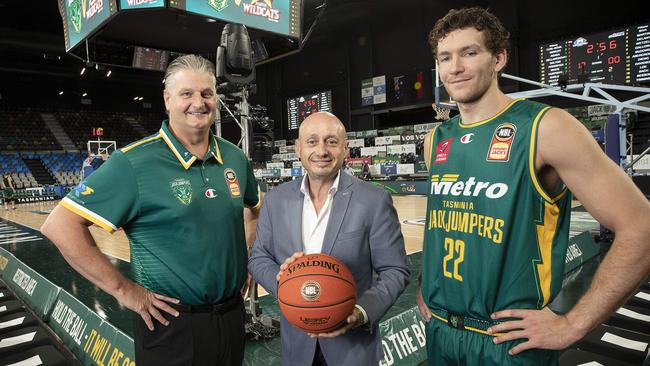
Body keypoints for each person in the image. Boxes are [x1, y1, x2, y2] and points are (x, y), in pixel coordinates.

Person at [417, 7, 650, 366]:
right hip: (441, 333)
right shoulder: (437, 141)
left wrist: (573, 324)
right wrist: (425, 287)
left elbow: (641, 226)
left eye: (469, 52)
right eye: (444, 57)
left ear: (499, 58)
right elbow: (445, 225)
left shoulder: (547, 128)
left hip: (508, 344)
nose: (455, 67)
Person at [41, 54, 262, 366]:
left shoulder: (235, 158)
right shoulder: (133, 163)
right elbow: (59, 225)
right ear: (167, 99)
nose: (197, 102)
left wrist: (250, 257)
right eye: (186, 93)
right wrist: (124, 291)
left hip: (231, 318)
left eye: (206, 93)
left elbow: (254, 207)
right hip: (170, 325)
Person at [248, 112, 410, 365]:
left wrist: (360, 312)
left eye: (331, 142)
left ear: (345, 149)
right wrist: (286, 283)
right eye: (312, 142)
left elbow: (395, 270)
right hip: (296, 348)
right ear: (298, 149)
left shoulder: (373, 200)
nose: (321, 150)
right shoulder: (276, 200)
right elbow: (259, 258)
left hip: (352, 349)